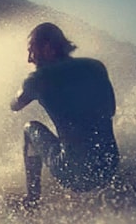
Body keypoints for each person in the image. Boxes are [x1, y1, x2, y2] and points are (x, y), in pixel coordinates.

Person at [11, 22, 120, 208]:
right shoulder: (96, 67)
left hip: (74, 174)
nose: (30, 59)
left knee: (29, 128)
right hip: (109, 168)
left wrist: (32, 85)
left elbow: (15, 105)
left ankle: (32, 200)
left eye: (32, 50)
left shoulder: (38, 79)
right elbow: (110, 110)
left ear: (47, 48)